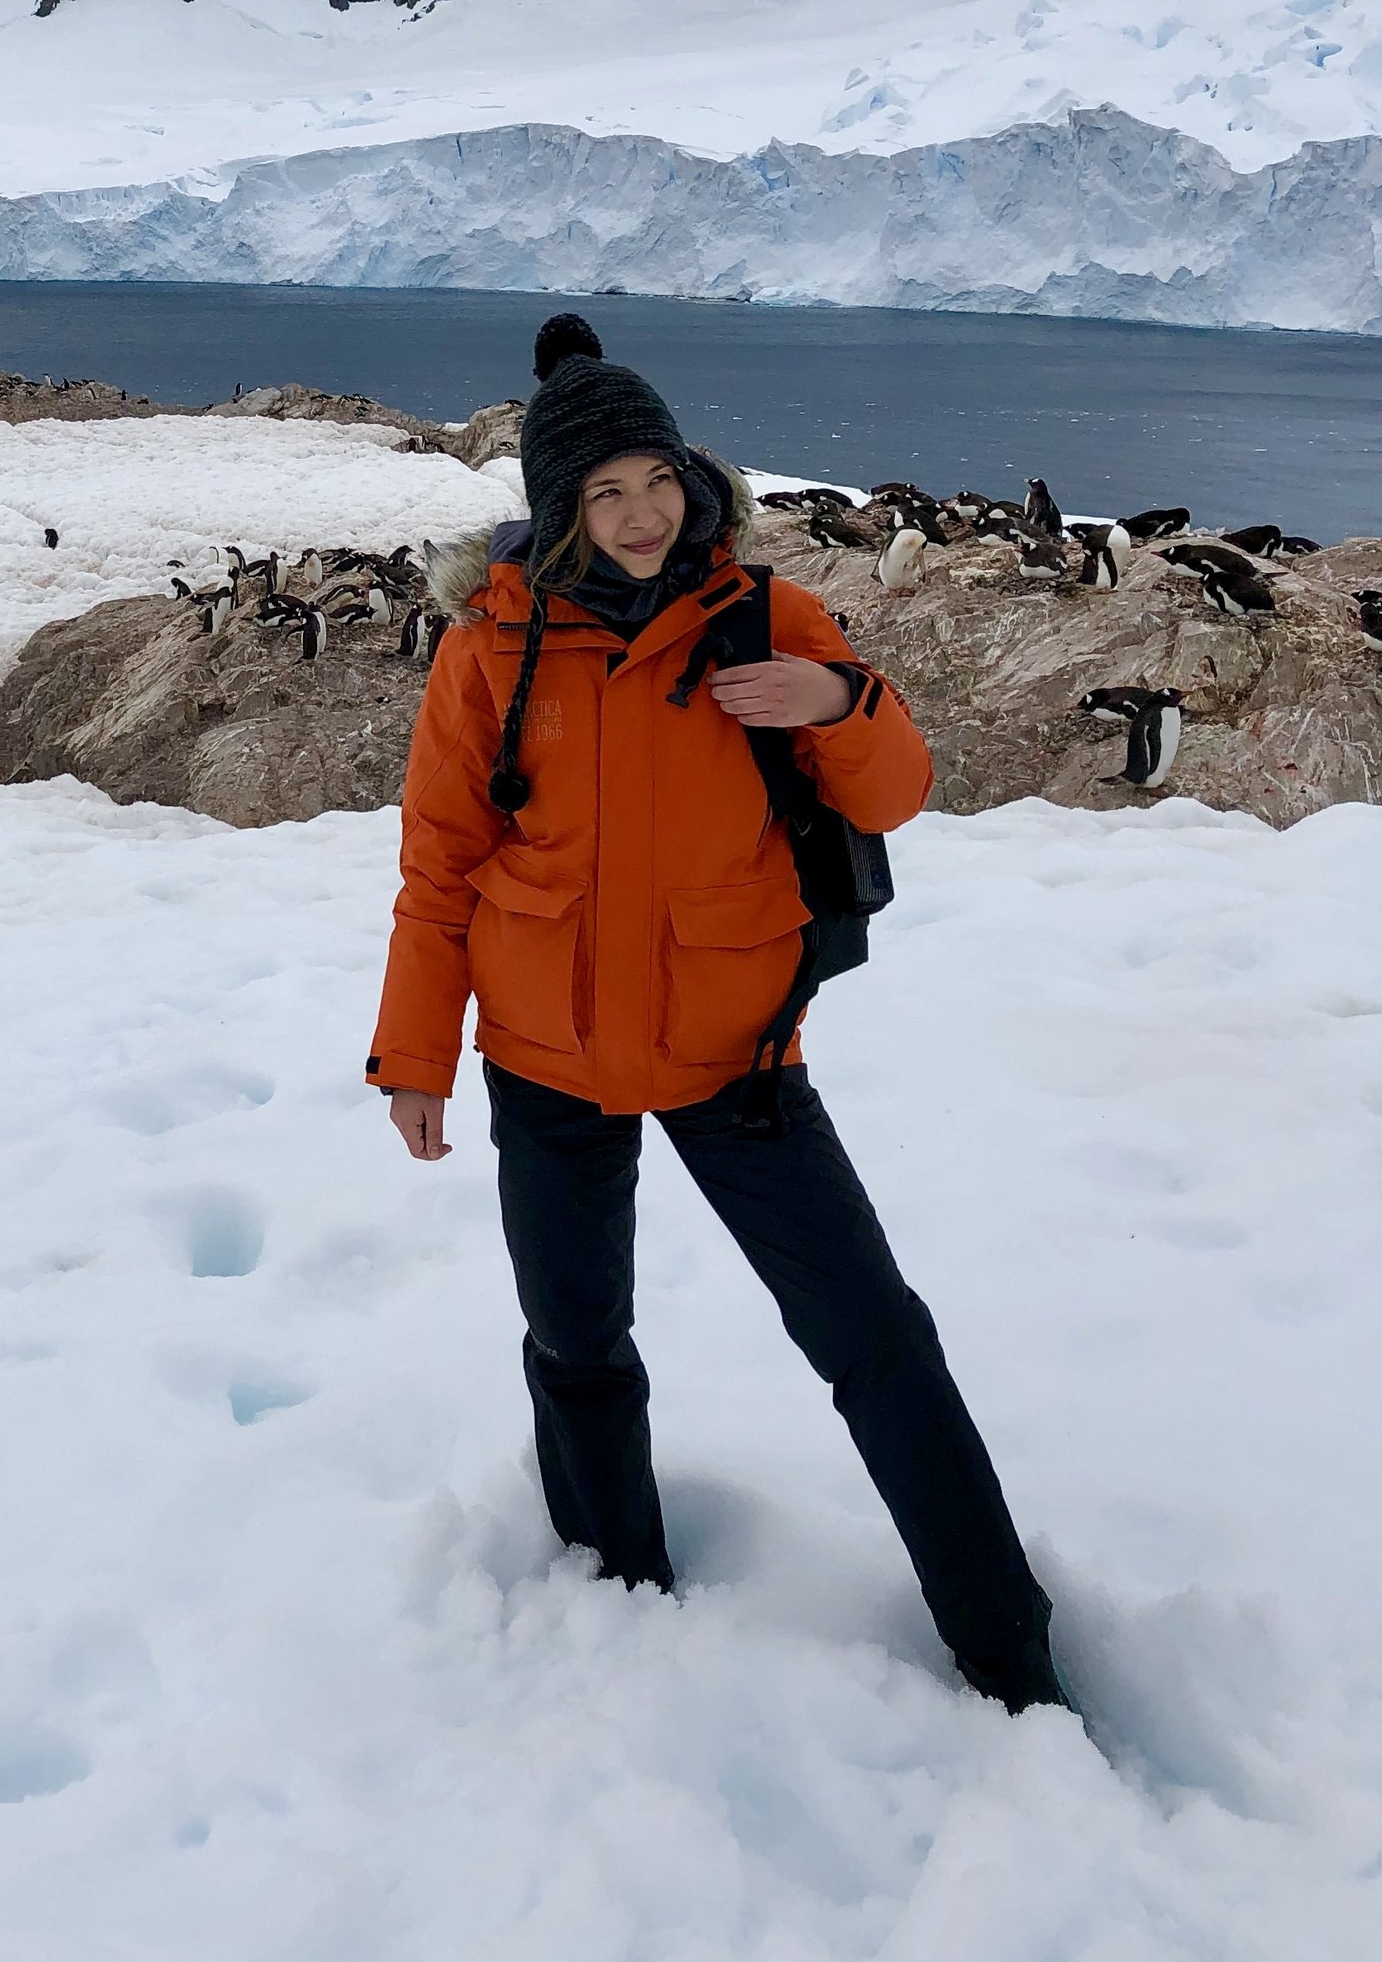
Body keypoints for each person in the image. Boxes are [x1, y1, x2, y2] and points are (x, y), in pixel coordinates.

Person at [368, 317, 1070, 1713]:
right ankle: (613, 1592)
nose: (639, 516)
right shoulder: (490, 648)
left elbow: (894, 792)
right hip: (547, 1061)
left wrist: (842, 698)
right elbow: (439, 861)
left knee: (878, 1337)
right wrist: (416, 1051)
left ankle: (1008, 1643)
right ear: (558, 508)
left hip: (737, 1056)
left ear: (694, 480)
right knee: (576, 1346)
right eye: (604, 492)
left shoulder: (766, 620)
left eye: (659, 481)